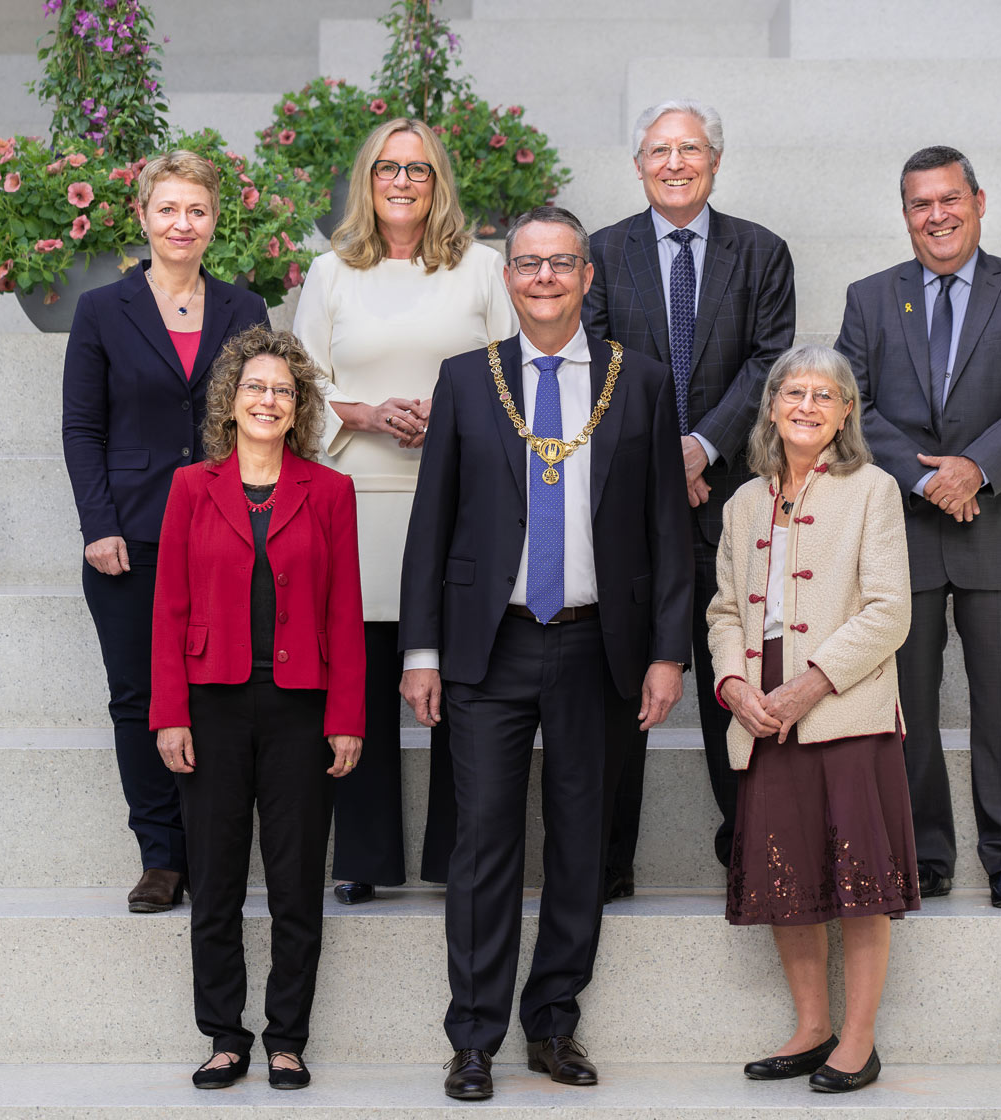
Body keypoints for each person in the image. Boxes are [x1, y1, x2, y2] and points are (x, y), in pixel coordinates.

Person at [398, 206, 692, 1101]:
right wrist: (421, 650)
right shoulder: (467, 379)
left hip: (598, 646)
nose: (545, 279)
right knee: (485, 845)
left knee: (578, 844)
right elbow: (431, 524)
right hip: (490, 647)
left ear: (587, 278)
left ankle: (554, 1023)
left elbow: (667, 531)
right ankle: (474, 1037)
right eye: (528, 265)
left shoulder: (635, 381)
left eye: (562, 264)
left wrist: (668, 652)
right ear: (507, 278)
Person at [833, 145, 1001, 909]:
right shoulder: (870, 299)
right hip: (905, 528)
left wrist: (975, 468)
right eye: (919, 204)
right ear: (905, 213)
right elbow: (851, 404)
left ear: (977, 200)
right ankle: (923, 855)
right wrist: (930, 475)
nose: (936, 215)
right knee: (909, 703)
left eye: (948, 200)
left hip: (996, 525)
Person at [293, 117, 515, 906]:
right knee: (359, 675)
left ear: (438, 182)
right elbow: (299, 387)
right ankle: (364, 856)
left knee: (460, 678)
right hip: (355, 501)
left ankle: (464, 855)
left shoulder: (484, 269)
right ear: (367, 179)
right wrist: (360, 413)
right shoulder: (330, 274)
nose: (401, 182)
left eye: (417, 170)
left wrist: (449, 418)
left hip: (459, 501)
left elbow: (515, 376)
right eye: (387, 168)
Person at [584, 99, 796, 896]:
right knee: (619, 676)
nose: (675, 162)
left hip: (733, 495)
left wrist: (699, 447)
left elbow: (769, 365)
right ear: (638, 164)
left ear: (715, 159)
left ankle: (745, 845)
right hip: (624, 504)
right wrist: (657, 461)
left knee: (729, 670)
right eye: (659, 150)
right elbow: (594, 365)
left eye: (690, 148)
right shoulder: (601, 252)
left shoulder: (762, 252)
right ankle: (607, 863)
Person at [148, 326, 365, 1090]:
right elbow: (168, 606)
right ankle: (225, 1035)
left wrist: (348, 716)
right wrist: (168, 712)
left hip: (302, 709)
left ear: (299, 403)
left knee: (298, 879)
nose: (268, 400)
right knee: (214, 879)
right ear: (230, 402)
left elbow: (345, 612)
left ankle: (286, 1038)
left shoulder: (330, 490)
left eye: (282, 389)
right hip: (210, 706)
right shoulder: (189, 488)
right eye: (254, 388)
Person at [62, 150, 270, 913]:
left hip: (226, 532)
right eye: (169, 209)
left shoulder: (244, 310)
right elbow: (83, 428)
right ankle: (160, 856)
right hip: (132, 536)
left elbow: (261, 412)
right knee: (139, 696)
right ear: (143, 216)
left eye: (198, 211)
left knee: (217, 694)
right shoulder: (100, 311)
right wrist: (98, 524)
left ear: (216, 221)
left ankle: (210, 851)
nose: (183, 224)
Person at [708, 343, 916, 1094]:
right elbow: (725, 609)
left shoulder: (875, 490)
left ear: (846, 412)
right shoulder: (741, 502)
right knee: (784, 875)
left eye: (824, 396)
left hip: (843, 712)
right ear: (770, 406)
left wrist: (807, 688)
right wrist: (735, 685)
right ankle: (810, 1027)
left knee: (860, 883)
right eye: (793, 392)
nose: (806, 406)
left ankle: (858, 1040)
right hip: (761, 714)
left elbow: (891, 611)